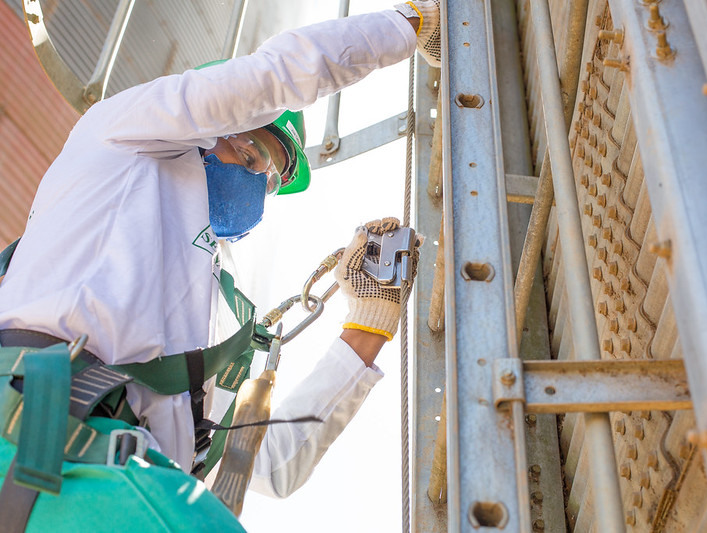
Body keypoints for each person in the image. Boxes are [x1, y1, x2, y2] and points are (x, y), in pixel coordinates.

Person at [0, 0, 438, 528]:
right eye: (254, 158)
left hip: (118, 485)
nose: (258, 188)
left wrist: (367, 325)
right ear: (217, 129)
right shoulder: (122, 134)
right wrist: (408, 23)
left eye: (270, 182)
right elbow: (271, 77)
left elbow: (267, 465)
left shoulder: (208, 318)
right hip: (39, 446)